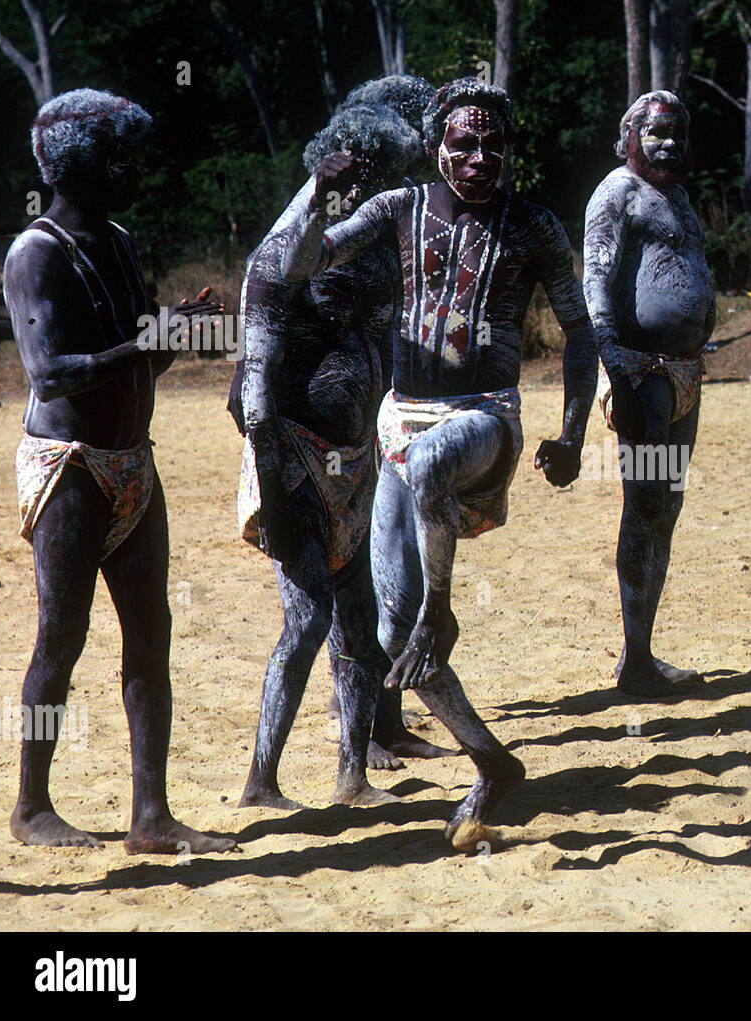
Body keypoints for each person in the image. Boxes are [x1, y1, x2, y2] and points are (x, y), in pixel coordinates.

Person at [280, 78, 598, 847]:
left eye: (494, 144)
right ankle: (492, 761)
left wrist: (572, 433)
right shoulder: (397, 210)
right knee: (394, 632)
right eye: (463, 142)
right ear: (435, 146)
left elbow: (581, 330)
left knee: (426, 474)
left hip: (485, 418)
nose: (479, 157)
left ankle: (444, 608)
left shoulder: (533, 226)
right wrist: (315, 192)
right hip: (401, 422)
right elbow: (306, 259)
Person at [4, 89, 233, 853]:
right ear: (80, 166)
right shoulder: (34, 253)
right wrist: (147, 342)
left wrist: (177, 332)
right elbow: (50, 371)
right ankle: (32, 804)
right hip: (70, 467)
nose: (135, 170)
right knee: (60, 639)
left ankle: (150, 813)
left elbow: (141, 358)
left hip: (133, 463)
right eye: (121, 158)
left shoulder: (120, 240)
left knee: (150, 636)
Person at [236, 98, 456, 812]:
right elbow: (260, 365)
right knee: (307, 619)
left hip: (357, 457)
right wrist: (270, 483)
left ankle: (351, 775)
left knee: (357, 623)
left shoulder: (379, 234)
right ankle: (261, 782)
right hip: (293, 453)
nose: (385, 186)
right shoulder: (294, 239)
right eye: (371, 173)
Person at [584, 91, 715, 697]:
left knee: (668, 506)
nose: (669, 145)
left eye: (679, 135)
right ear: (629, 136)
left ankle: (644, 651)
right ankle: (635, 660)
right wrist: (616, 366)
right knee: (645, 502)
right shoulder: (618, 192)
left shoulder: (679, 196)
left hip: (683, 374)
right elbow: (596, 280)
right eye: (657, 134)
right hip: (644, 373)